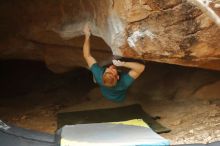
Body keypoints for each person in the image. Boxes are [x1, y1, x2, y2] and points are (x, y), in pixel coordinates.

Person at [83, 24, 145, 102]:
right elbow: (141, 68)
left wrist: (87, 35)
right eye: (113, 71)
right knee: (120, 96)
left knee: (98, 74)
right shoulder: (124, 83)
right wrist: (123, 64)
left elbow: (87, 56)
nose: (110, 68)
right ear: (118, 77)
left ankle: (101, 81)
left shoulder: (98, 74)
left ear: (102, 77)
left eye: (107, 70)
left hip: (104, 92)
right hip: (119, 97)